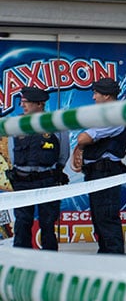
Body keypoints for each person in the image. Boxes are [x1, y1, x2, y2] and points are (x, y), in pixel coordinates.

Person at [70, 77, 126, 254]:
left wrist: (80, 145)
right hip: (97, 174)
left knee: (107, 219)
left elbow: (83, 138)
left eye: (96, 93)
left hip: (106, 173)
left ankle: (114, 262)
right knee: (99, 219)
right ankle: (105, 258)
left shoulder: (114, 117)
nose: (94, 97)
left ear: (108, 96)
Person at [8, 86, 69, 250]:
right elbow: (12, 154)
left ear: (40, 104)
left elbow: (64, 153)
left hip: (47, 181)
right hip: (22, 181)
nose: (23, 105)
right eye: (22, 102)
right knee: (22, 224)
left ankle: (49, 265)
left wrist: (56, 171)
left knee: (48, 225)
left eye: (26, 102)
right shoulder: (16, 124)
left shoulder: (55, 123)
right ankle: (21, 265)